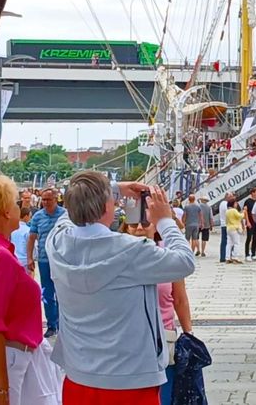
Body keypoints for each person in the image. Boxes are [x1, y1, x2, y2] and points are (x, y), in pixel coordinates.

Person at [44, 171, 196, 404]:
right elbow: (185, 261)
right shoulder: (132, 250)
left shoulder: (57, 243)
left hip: (78, 373)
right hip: (131, 377)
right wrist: (165, 220)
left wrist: (112, 189)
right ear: (108, 206)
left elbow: (67, 219)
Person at [0, 174, 61, 405]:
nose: (19, 208)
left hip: (1, 354)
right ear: (6, 211)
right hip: (4, 356)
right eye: (15, 203)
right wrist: (1, 389)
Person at [124, 221, 193, 405]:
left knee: (163, 397)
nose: (139, 228)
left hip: (163, 341)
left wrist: (189, 334)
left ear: (155, 227)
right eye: (132, 224)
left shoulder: (169, 256)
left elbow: (179, 299)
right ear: (125, 228)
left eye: (145, 223)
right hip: (127, 342)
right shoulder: (117, 256)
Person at [27, 188, 66, 338]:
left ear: (56, 199)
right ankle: (52, 324)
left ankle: (64, 324)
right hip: (44, 260)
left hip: (61, 260)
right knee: (47, 294)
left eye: (48, 200)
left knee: (62, 293)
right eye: (43, 200)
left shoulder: (65, 215)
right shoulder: (37, 216)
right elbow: (31, 238)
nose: (45, 203)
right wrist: (30, 257)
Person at [11, 207, 32, 274]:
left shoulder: (12, 229)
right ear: (26, 216)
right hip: (25, 260)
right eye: (30, 216)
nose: (30, 218)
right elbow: (31, 245)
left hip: (14, 258)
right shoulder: (28, 230)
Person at [242, 188, 256, 262]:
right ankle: (247, 254)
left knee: (255, 238)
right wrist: (247, 221)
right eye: (255, 192)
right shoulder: (248, 201)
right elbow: (245, 212)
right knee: (249, 237)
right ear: (252, 193)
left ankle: (253, 253)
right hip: (250, 221)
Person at [219, 192, 235, 263]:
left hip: (223, 224)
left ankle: (223, 256)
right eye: (231, 197)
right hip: (227, 224)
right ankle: (227, 256)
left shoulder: (222, 203)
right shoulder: (226, 204)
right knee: (229, 241)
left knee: (224, 241)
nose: (232, 198)